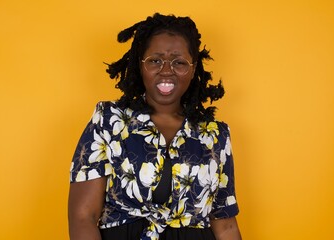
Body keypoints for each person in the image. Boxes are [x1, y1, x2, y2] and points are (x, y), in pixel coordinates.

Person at [68, 13, 241, 240]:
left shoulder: (216, 135)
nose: (167, 70)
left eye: (179, 62)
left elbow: (225, 224)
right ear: (141, 65)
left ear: (193, 68)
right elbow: (83, 216)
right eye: (155, 60)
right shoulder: (109, 121)